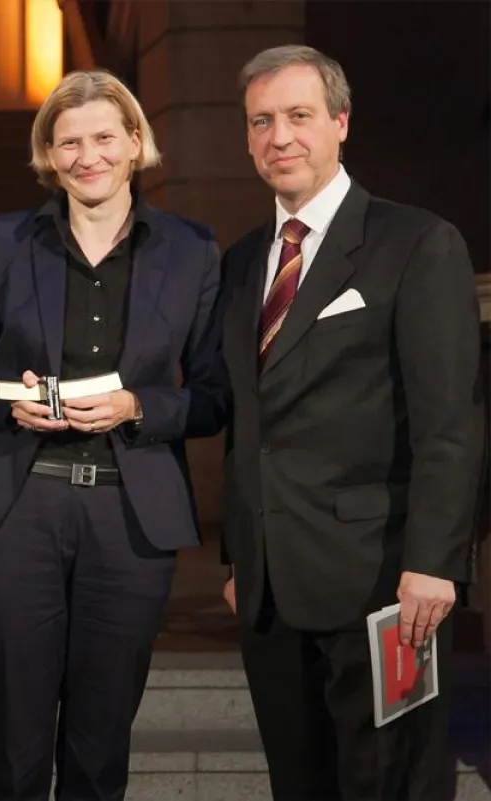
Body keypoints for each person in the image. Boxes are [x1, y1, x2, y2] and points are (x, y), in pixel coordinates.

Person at [218, 45, 485, 801]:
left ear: (340, 122)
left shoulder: (416, 243)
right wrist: (240, 557)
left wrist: (436, 559)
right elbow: (249, 418)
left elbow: (450, 421)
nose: (280, 137)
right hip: (270, 591)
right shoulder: (241, 263)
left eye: (299, 116)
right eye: (261, 121)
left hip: (386, 586)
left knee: (392, 786)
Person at [0, 69, 229, 800]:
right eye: (67, 141)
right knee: (12, 737)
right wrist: (7, 402)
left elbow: (213, 396)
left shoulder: (193, 250)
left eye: (104, 137)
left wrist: (138, 405)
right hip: (20, 509)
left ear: (135, 142)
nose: (87, 155)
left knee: (102, 736)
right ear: (48, 153)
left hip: (130, 516)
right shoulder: (7, 240)